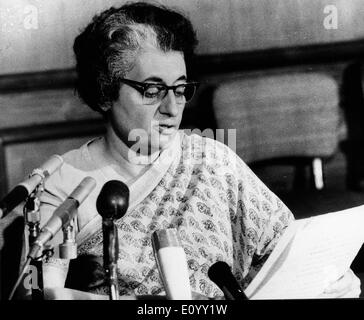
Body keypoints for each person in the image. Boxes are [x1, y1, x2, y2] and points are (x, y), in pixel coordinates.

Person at [34, 2, 359, 300]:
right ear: (105, 92)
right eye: (152, 90)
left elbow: (289, 254)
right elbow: (36, 294)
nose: (172, 108)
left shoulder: (211, 161)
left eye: (180, 89)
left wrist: (328, 279)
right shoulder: (59, 187)